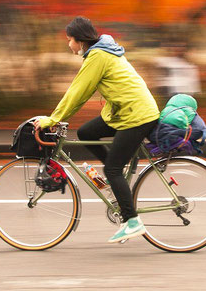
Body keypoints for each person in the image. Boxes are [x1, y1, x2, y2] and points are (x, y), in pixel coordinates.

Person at [34, 16, 160, 243]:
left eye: (69, 39)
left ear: (80, 40)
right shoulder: (103, 50)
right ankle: (117, 178)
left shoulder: (98, 56)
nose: (68, 44)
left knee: (111, 168)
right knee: (86, 133)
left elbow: (78, 93)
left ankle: (132, 222)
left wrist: (52, 119)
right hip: (125, 112)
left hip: (136, 115)